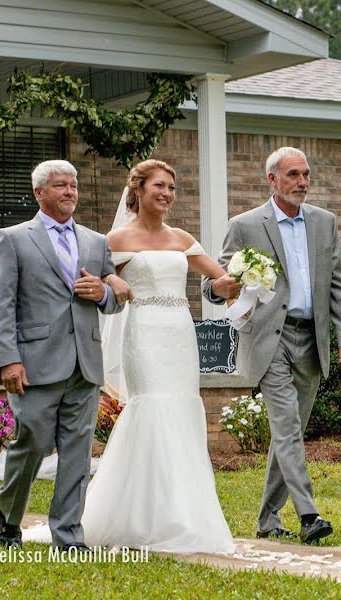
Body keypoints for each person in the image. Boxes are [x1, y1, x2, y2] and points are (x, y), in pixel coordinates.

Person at [80, 159, 241, 553]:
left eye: (171, 187)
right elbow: (89, 275)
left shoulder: (182, 239)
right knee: (151, 408)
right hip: (144, 332)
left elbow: (218, 280)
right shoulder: (114, 239)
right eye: (159, 185)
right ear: (138, 190)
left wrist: (236, 282)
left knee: (182, 409)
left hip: (180, 333)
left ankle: (182, 515)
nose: (167, 193)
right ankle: (135, 516)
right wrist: (111, 278)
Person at [203, 147, 341, 544]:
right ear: (272, 180)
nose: (303, 182)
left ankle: (268, 519)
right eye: (293, 175)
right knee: (287, 425)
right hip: (268, 338)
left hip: (312, 338)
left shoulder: (324, 223)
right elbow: (214, 282)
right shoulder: (244, 225)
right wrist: (222, 288)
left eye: (306, 174)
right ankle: (309, 514)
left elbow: (340, 284)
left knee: (289, 432)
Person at [0, 159, 127, 551]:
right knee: (30, 444)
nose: (70, 192)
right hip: (34, 365)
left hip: (85, 363)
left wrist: (103, 294)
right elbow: (0, 304)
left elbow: (113, 296)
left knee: (78, 455)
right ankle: (9, 514)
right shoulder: (13, 239)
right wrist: (8, 360)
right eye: (61, 186)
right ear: (39, 193)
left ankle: (67, 535)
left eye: (73, 186)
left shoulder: (96, 242)